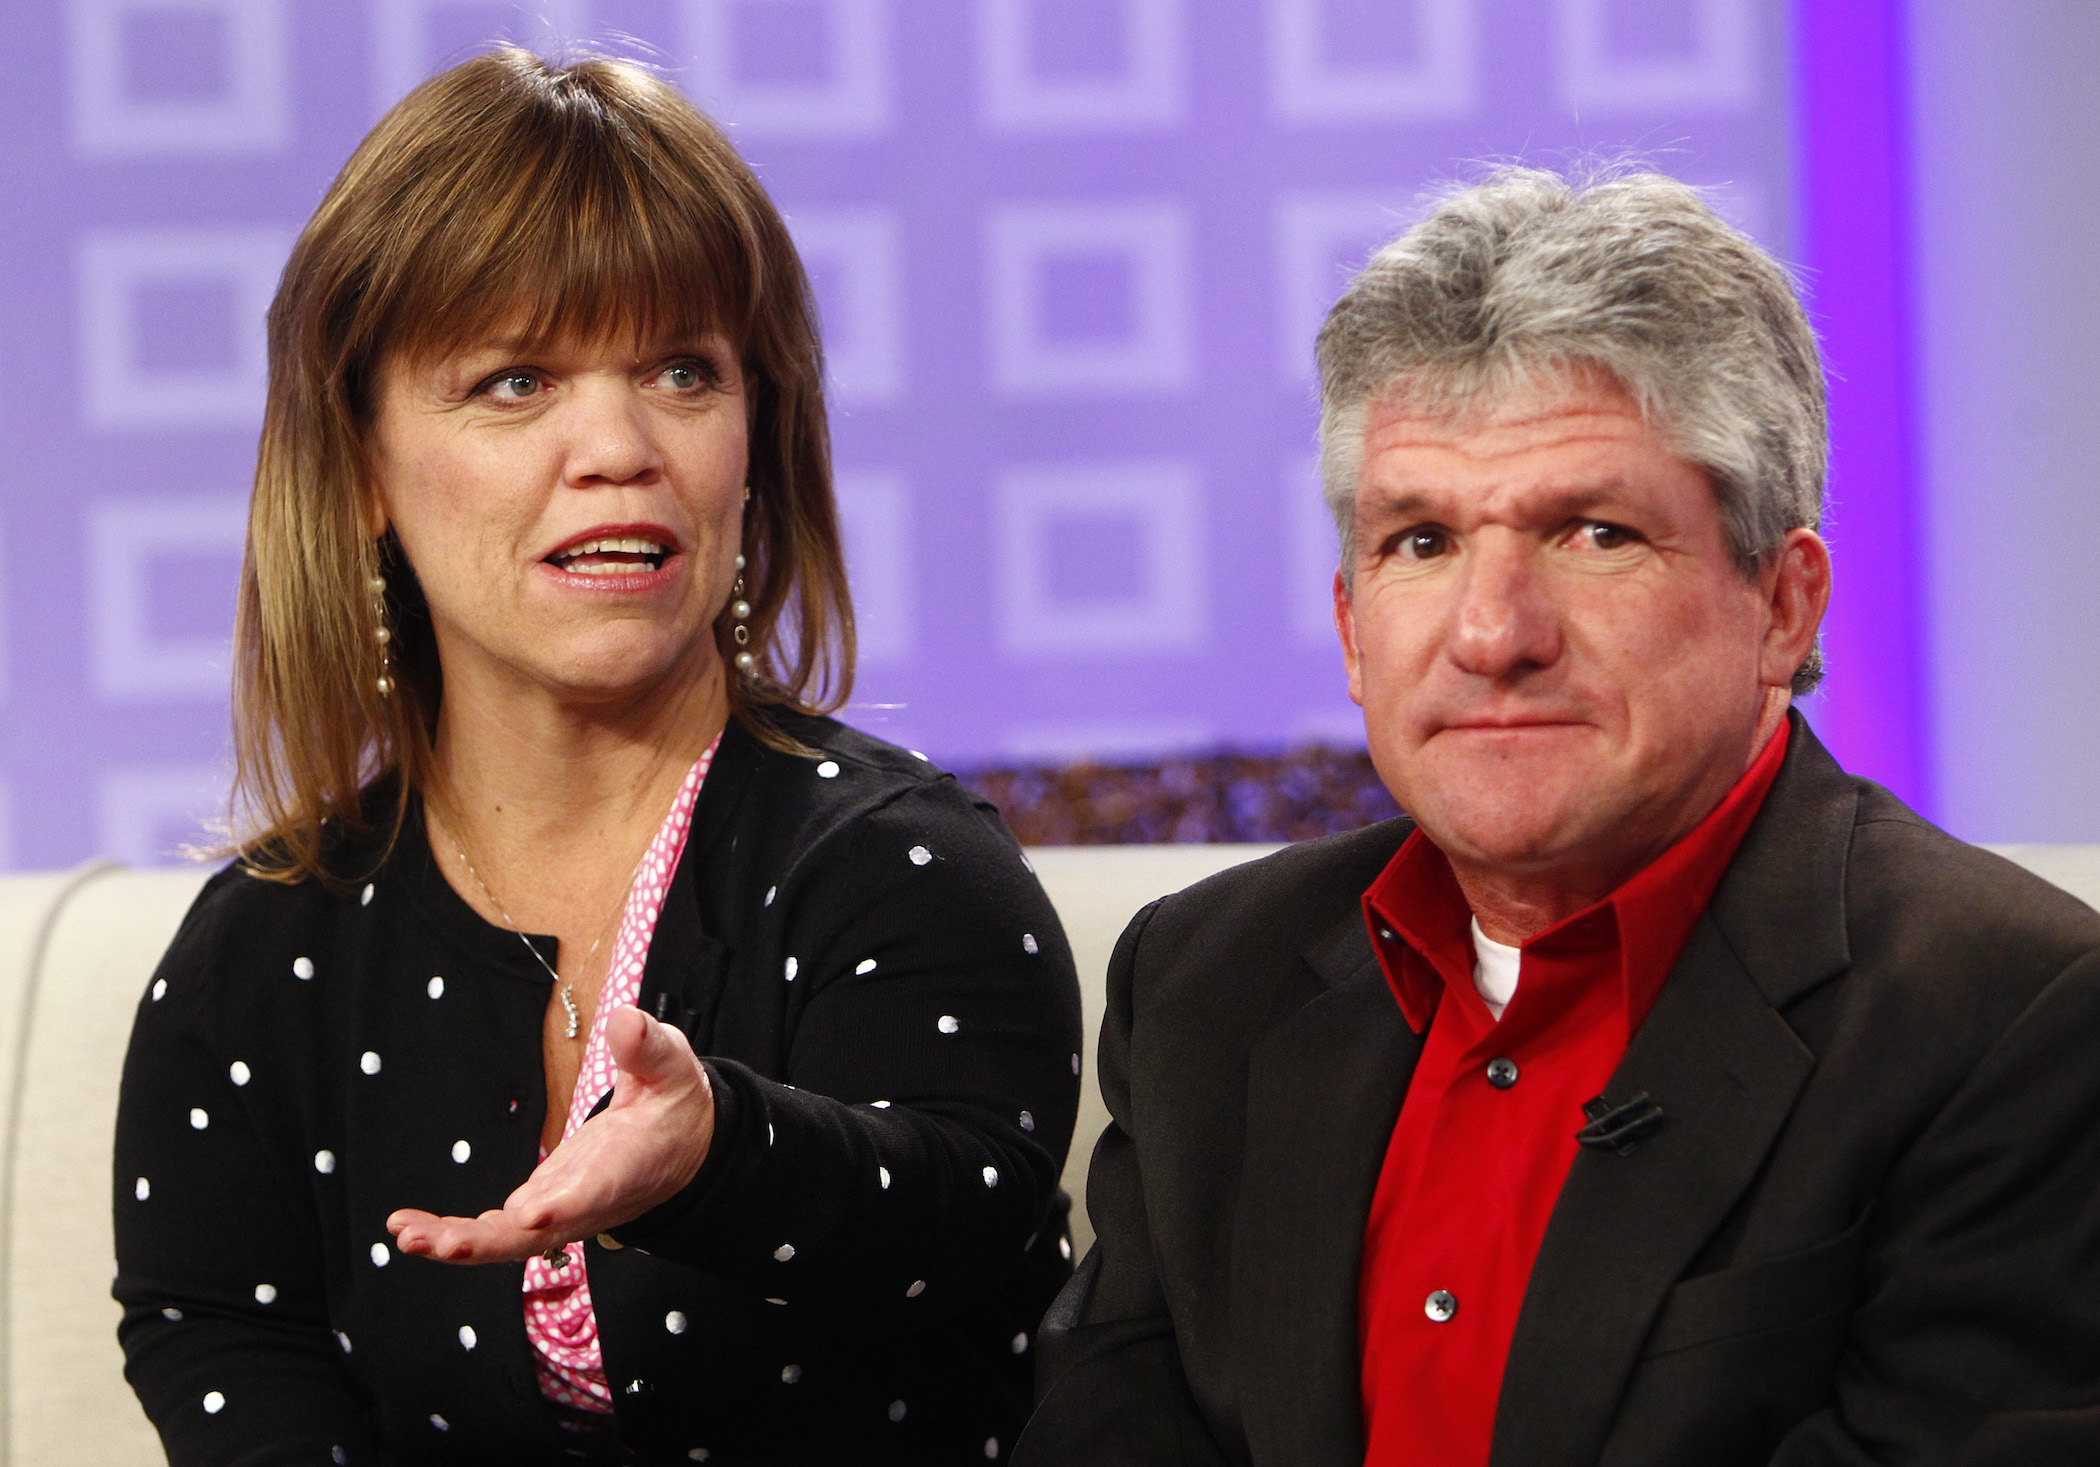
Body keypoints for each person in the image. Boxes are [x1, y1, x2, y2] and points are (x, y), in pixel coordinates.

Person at [1016, 167, 2100, 1467]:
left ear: (1784, 605)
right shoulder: (1203, 982)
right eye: (1420, 541)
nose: (1491, 634)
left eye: (1594, 532)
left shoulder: (2011, 1022)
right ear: (1353, 626)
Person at [113, 49, 1081, 1467]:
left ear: (758, 437)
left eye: (684, 370)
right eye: (516, 382)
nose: (620, 446)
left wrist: (717, 1157)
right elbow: (216, 1333)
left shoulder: (905, 870)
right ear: (364, 468)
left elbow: (967, 1220)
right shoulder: (262, 953)